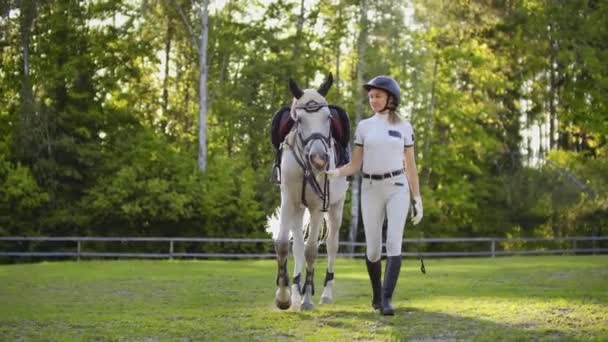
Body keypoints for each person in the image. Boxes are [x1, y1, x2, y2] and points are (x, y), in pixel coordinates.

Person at [325, 75, 423, 315]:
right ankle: (377, 295)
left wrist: (417, 198)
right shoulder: (364, 127)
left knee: (393, 243)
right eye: (370, 96)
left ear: (391, 98)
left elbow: (410, 166)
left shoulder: (404, 127)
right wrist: (335, 172)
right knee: (372, 250)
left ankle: (387, 300)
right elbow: (355, 165)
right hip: (371, 189)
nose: (373, 100)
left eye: (378, 95)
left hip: (397, 187)